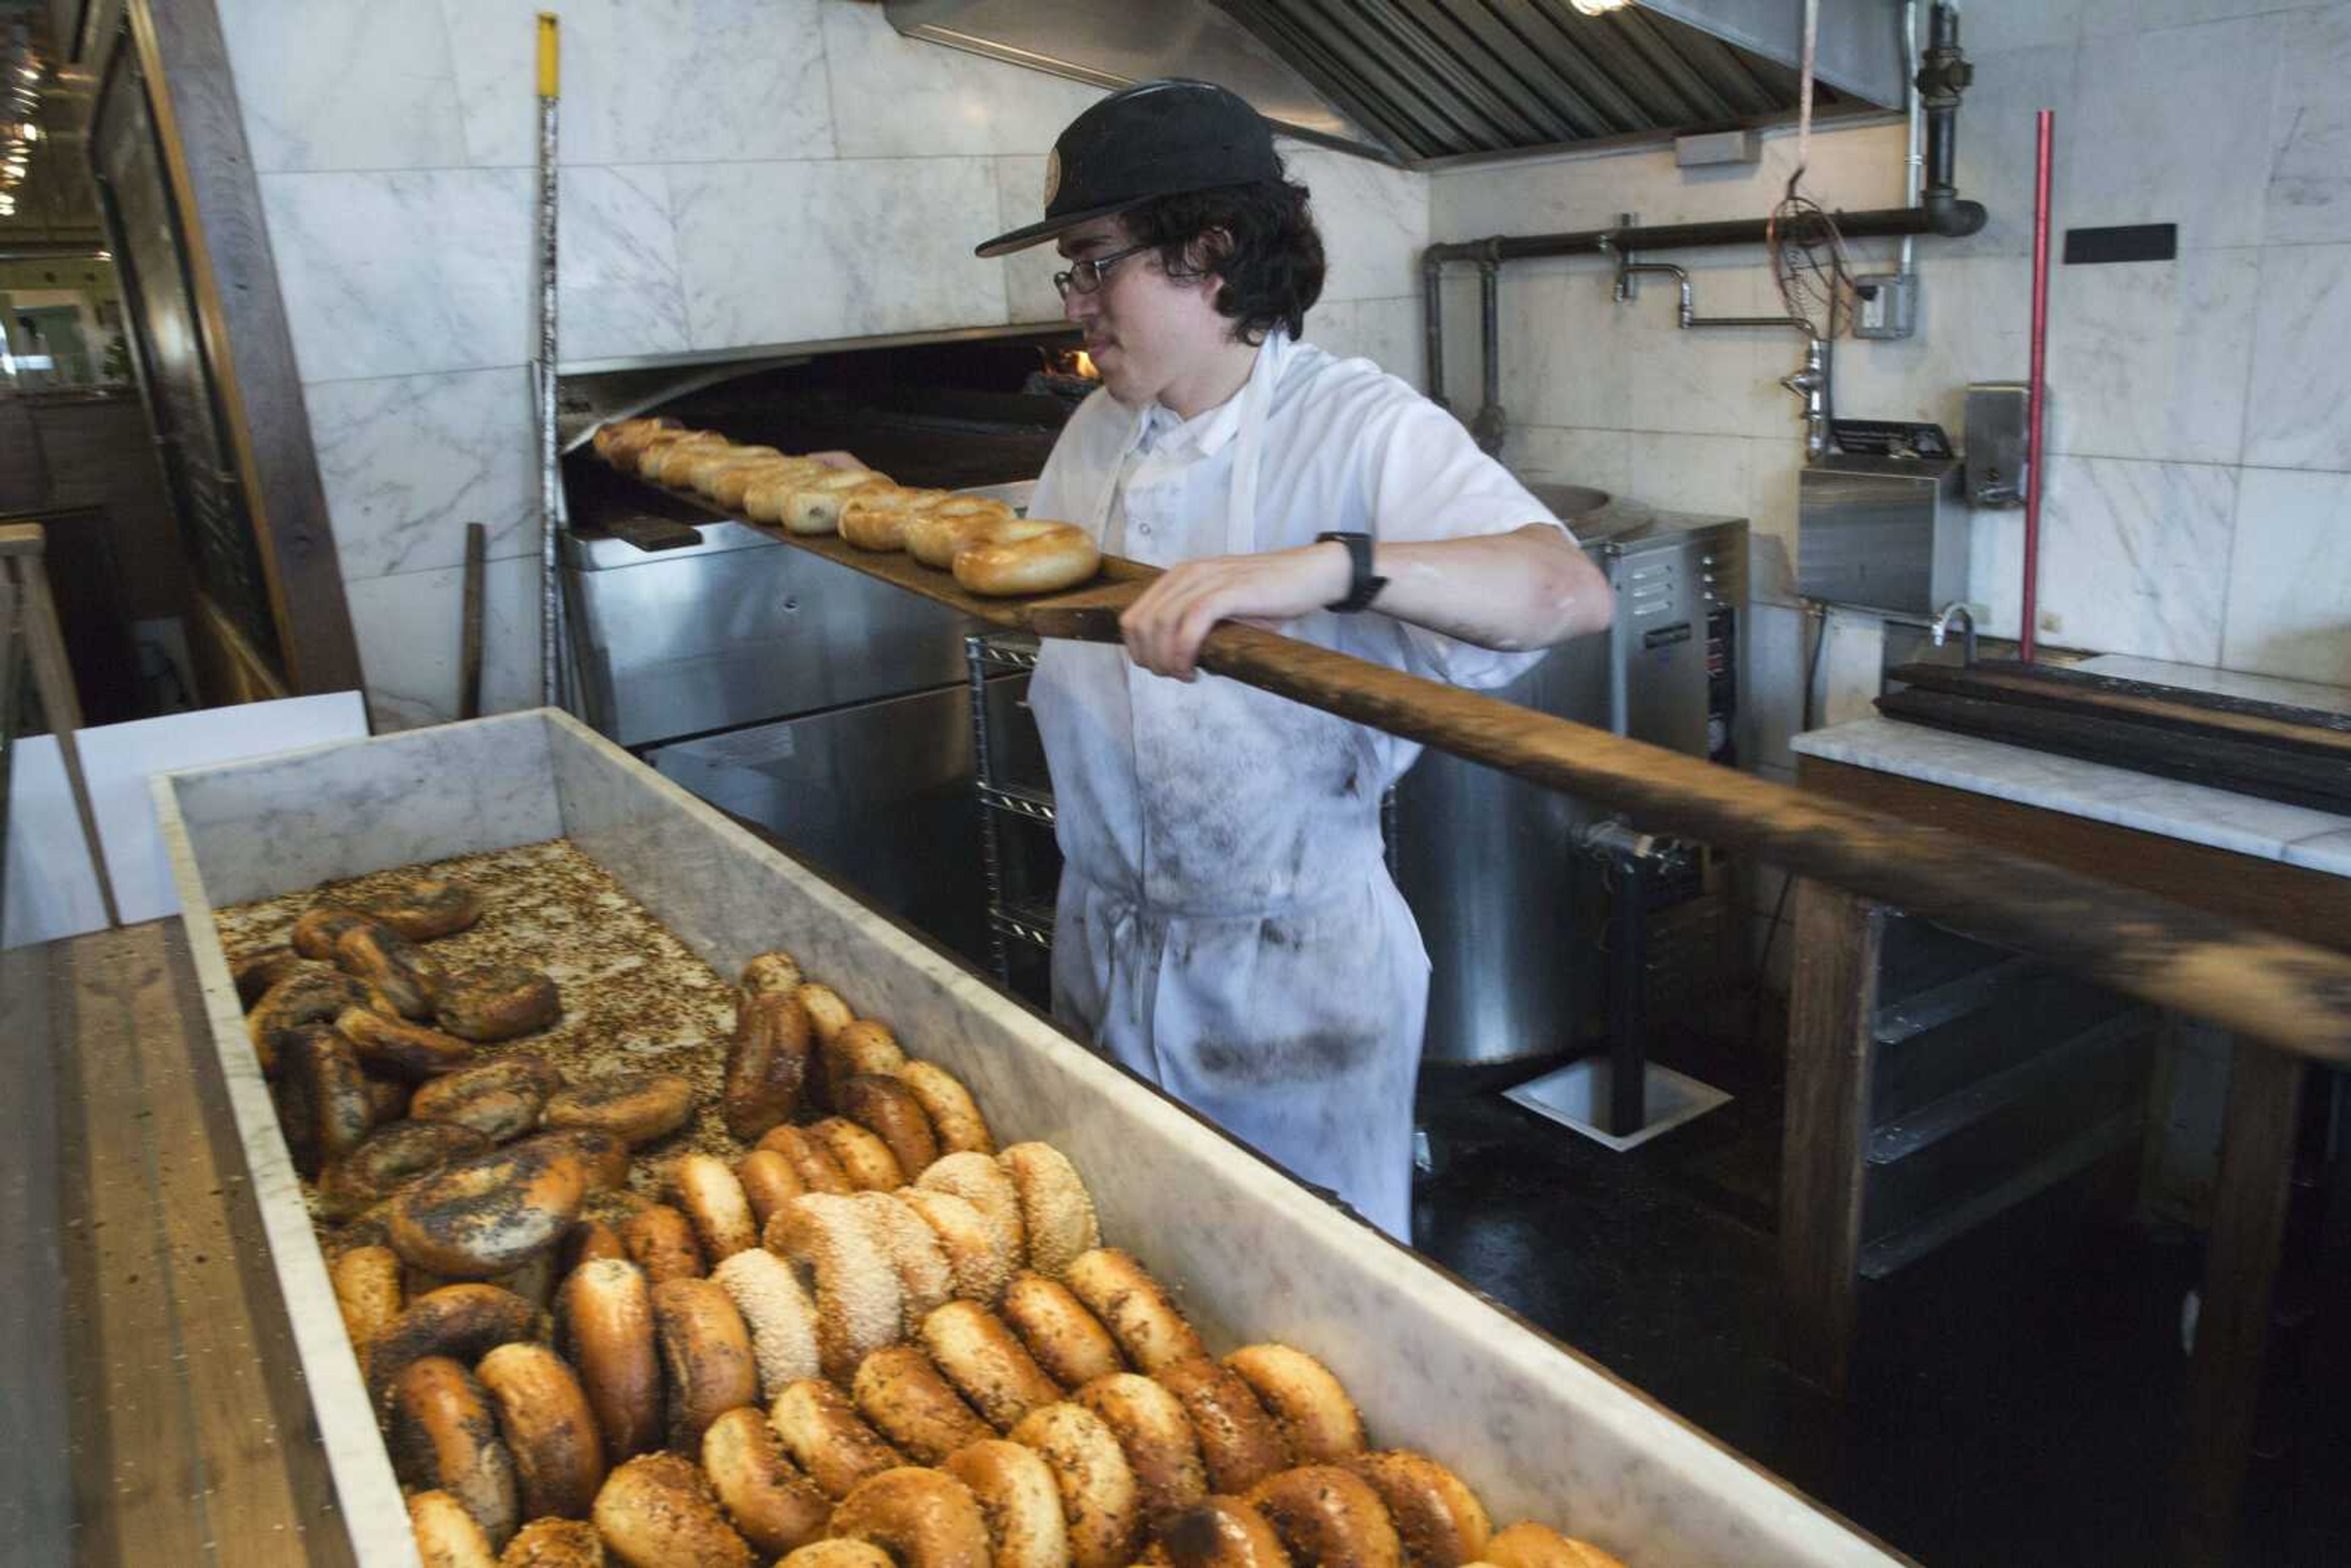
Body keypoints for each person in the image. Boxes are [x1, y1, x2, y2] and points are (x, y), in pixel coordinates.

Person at [974, 80, 1614, 1241]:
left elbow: (1566, 591)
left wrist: (1327, 567)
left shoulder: (1358, 425)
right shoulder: (1096, 433)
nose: (1076, 304)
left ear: (1210, 251)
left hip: (1293, 987)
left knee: (1311, 1337)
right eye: (1072, 272)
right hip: (1106, 953)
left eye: (1094, 264)